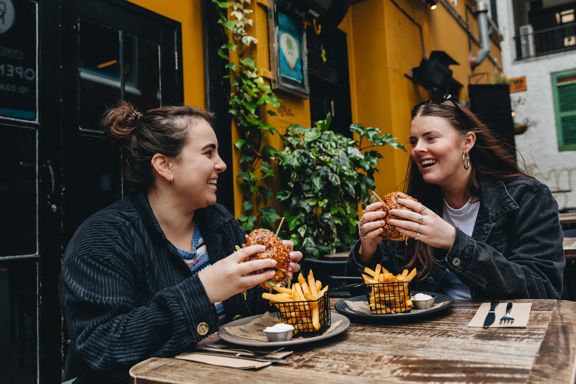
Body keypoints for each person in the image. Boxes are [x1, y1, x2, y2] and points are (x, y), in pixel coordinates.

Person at [60, 101, 302, 383]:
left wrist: (272, 279)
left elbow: (249, 317)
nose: (222, 164)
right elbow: (103, 345)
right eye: (208, 153)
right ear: (164, 165)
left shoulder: (218, 222)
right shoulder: (103, 238)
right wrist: (204, 289)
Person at [348, 95, 564, 300]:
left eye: (430, 138)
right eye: (414, 141)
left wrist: (453, 241)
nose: (417, 150)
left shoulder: (527, 197)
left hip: (503, 332)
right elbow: (383, 296)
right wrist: (367, 252)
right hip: (429, 334)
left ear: (467, 142)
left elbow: (543, 287)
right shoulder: (413, 207)